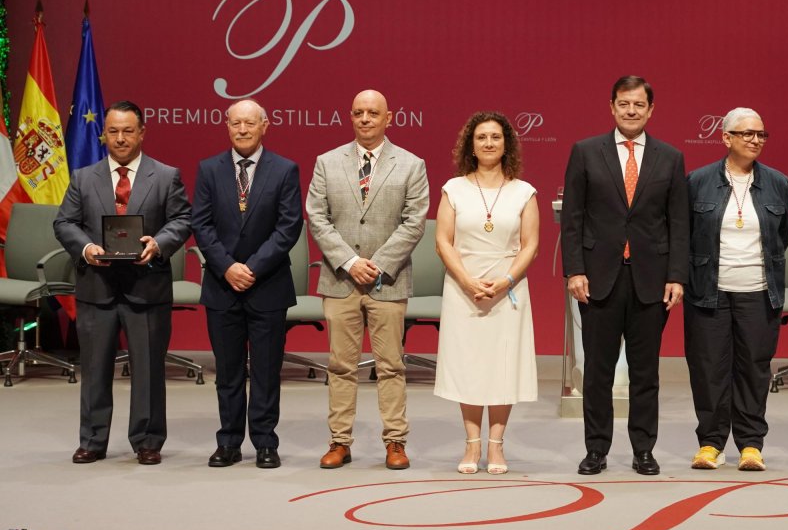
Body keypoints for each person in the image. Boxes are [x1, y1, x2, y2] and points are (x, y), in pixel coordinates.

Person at [561, 75, 688, 476]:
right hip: (599, 279)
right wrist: (574, 270)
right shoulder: (585, 152)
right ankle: (596, 449)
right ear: (612, 107)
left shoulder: (670, 157)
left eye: (638, 104)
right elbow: (573, 219)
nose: (631, 111)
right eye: (624, 103)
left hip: (651, 280)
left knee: (645, 373)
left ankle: (643, 450)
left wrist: (677, 276)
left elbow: (679, 223)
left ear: (651, 110)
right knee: (597, 372)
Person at [53, 100, 192, 465]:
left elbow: (182, 220)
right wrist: (86, 249)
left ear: (142, 133)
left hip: (147, 287)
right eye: (113, 131)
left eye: (128, 131)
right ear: (104, 134)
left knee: (148, 370)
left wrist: (158, 243)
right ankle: (92, 440)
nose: (120, 138)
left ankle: (148, 441)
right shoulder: (84, 177)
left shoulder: (166, 176)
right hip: (96, 287)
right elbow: (64, 222)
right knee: (95, 370)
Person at [306, 89, 430, 469]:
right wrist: (349, 262)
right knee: (340, 366)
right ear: (350, 116)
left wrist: (375, 264)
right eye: (358, 112)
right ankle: (339, 442)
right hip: (340, 281)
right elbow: (317, 217)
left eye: (373, 113)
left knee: (391, 365)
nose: (365, 119)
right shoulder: (327, 162)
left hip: (387, 282)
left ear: (388, 118)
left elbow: (414, 222)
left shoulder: (411, 165)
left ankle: (395, 442)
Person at [192, 99, 303, 469]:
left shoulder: (285, 169)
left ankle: (265, 443)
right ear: (227, 126)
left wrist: (251, 268)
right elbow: (201, 225)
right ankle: (228, 442)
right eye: (235, 123)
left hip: (267, 285)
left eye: (249, 123)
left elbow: (288, 226)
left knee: (267, 372)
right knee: (228, 372)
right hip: (222, 287)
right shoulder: (209, 169)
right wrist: (227, 267)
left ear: (264, 126)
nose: (242, 129)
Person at [684, 107, 788, 472]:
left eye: (761, 134)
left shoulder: (778, 182)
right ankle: (710, 443)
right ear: (726, 138)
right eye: (747, 133)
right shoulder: (698, 181)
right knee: (708, 369)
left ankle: (750, 445)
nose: (755, 140)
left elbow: (781, 235)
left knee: (753, 370)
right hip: (708, 291)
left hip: (759, 291)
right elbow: (685, 234)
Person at [433, 111, 539, 475]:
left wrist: (506, 280)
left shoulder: (524, 192)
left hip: (508, 290)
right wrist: (466, 280)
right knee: (469, 366)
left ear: (506, 144)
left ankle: (496, 445)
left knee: (502, 368)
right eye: (481, 137)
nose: (489, 143)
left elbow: (530, 245)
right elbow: (443, 241)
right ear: (471, 145)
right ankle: (471, 443)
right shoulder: (453, 189)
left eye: (495, 137)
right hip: (463, 289)